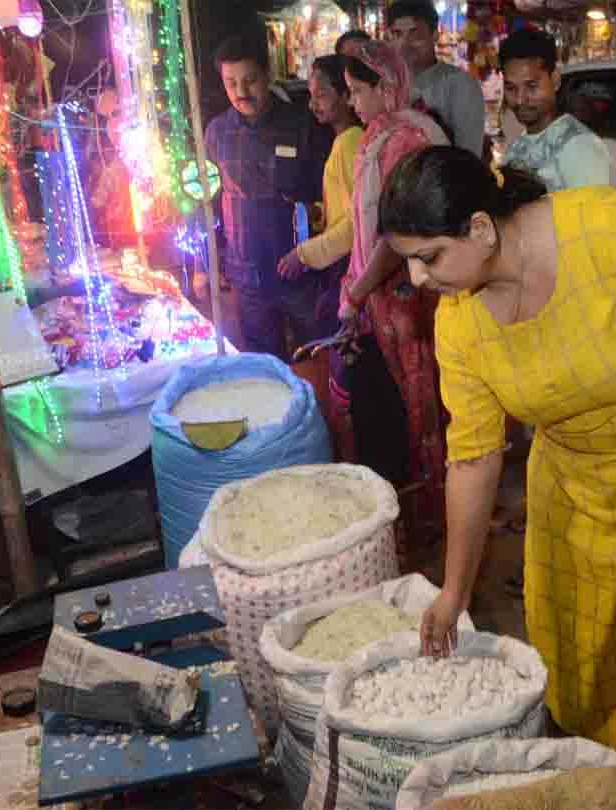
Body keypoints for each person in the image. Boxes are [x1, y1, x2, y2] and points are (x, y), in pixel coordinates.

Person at [401, 146, 616, 755]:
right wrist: (454, 590)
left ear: (482, 229)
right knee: (583, 677)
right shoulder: (458, 322)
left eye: (427, 257)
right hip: (570, 501)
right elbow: (473, 456)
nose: (416, 279)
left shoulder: (613, 226)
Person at [339, 41, 449, 564]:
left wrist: (359, 290)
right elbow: (362, 229)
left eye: (359, 90)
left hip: (408, 297)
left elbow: (393, 234)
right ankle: (426, 507)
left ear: (387, 87)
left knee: (424, 403)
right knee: (406, 403)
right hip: (382, 296)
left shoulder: (407, 139)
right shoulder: (374, 138)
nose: (352, 101)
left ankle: (443, 515)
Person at [205, 34, 333, 361]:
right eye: (231, 83)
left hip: (299, 270)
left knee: (314, 360)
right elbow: (205, 199)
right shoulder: (217, 133)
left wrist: (311, 253)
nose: (241, 92)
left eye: (250, 81)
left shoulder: (302, 125)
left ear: (267, 74)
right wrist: (206, 263)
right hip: (246, 275)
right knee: (262, 366)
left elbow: (328, 198)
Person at [278, 56, 363, 337]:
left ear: (347, 94)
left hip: (348, 264)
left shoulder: (351, 142)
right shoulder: (343, 140)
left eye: (322, 95)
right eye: (311, 96)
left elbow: (355, 225)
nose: (313, 105)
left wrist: (303, 254)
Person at [499, 28, 609, 192]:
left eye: (531, 86)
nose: (520, 99)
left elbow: (593, 215)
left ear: (555, 80)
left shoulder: (579, 146)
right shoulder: (517, 147)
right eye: (511, 88)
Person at [387, 1, 485, 158]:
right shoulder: (387, 87)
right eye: (397, 34)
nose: (404, 44)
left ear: (434, 35)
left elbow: (469, 158)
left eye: (415, 35)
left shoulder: (460, 85)